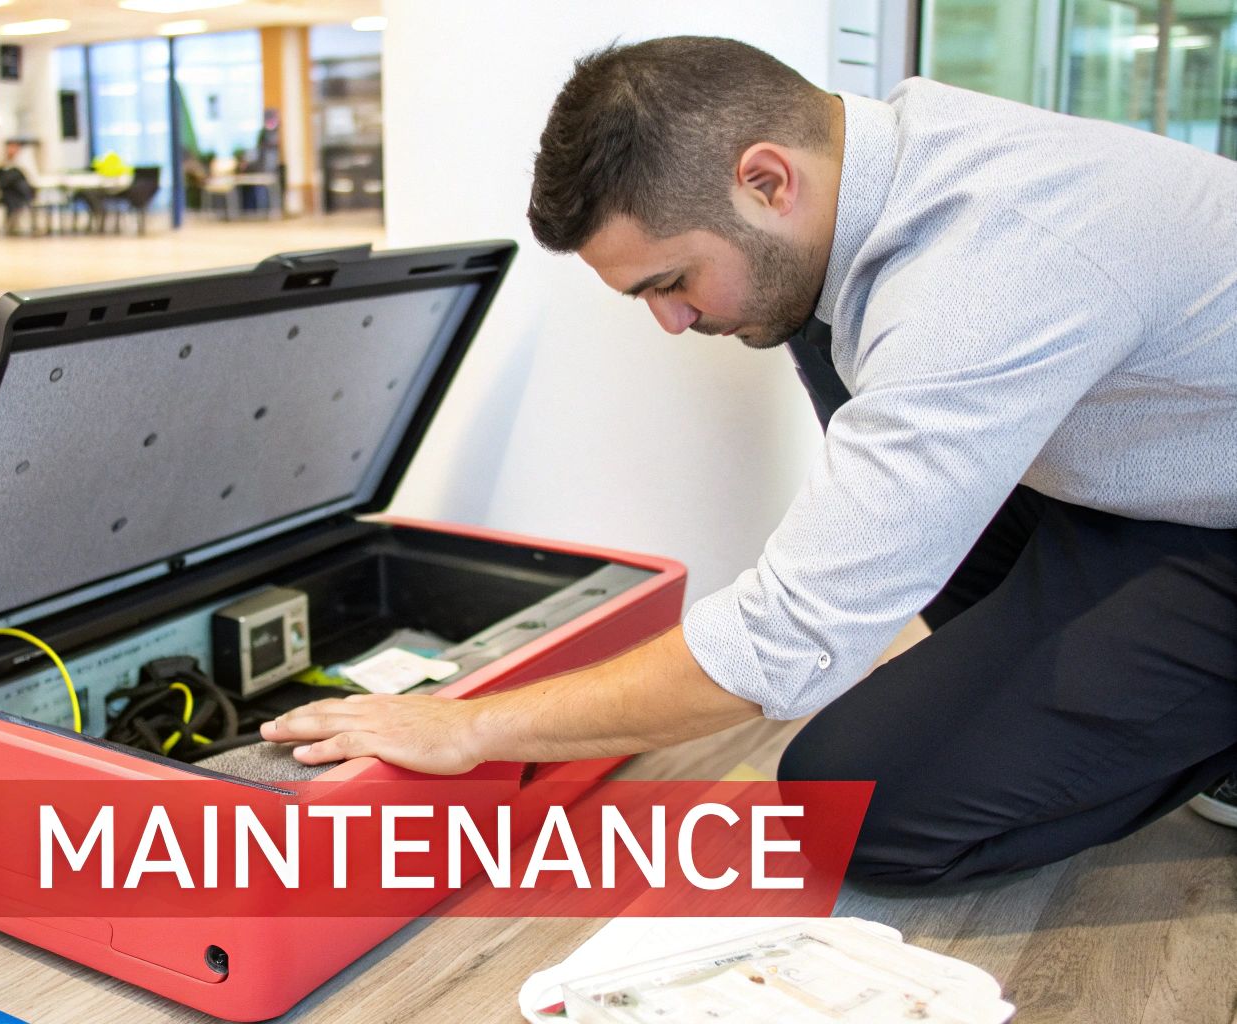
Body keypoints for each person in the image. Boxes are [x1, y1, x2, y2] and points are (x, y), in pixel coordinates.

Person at [260, 36, 1237, 886]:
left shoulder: (985, 271)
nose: (671, 322)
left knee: (846, 801)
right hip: (1145, 472)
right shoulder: (894, 156)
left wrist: (463, 725)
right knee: (802, 314)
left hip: (1213, 526)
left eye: (671, 281)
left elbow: (784, 644)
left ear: (766, 178)